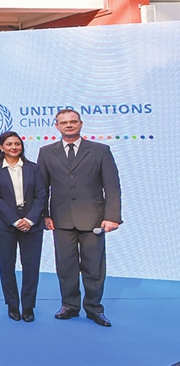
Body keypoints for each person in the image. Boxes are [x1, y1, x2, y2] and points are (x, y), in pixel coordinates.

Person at [37, 109, 122, 327]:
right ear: (56, 126)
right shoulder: (46, 152)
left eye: (73, 122)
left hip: (93, 219)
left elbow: (112, 187)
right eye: (63, 122)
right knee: (65, 266)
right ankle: (69, 305)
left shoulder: (100, 150)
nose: (68, 125)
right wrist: (44, 215)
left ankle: (94, 308)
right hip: (61, 219)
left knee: (94, 267)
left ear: (81, 124)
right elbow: (41, 188)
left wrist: (112, 217)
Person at [0, 131, 48, 322]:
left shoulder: (34, 168)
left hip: (32, 225)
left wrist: (29, 219)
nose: (14, 147)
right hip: (4, 225)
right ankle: (12, 304)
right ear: (1, 147)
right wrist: (14, 220)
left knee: (31, 266)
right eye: (9, 144)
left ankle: (28, 306)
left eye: (17, 144)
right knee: (7, 266)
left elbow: (41, 195)